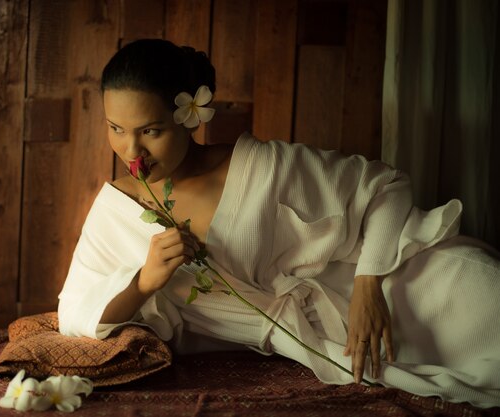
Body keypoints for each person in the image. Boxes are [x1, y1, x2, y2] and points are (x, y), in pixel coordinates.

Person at [57, 38, 500, 408]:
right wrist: (142, 283)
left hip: (421, 286)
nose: (132, 150)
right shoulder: (115, 210)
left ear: (188, 117)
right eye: (116, 128)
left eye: (150, 131)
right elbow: (73, 311)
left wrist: (369, 284)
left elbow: (387, 186)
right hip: (336, 342)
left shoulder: (261, 166)